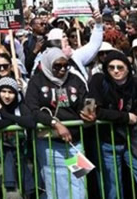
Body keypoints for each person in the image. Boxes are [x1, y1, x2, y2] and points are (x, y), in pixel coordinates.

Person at [88, 51, 137, 199]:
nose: (116, 71)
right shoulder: (98, 80)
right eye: (111, 67)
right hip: (106, 143)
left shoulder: (136, 83)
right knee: (112, 193)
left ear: (127, 68)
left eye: (120, 67)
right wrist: (125, 117)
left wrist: (130, 115)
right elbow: (95, 110)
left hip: (133, 141)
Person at [24, 47, 95, 199]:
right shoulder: (37, 81)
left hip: (75, 143)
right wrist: (54, 122)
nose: (63, 69)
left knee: (80, 183)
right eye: (57, 66)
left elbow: (87, 99)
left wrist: (90, 111)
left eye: (65, 65)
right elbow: (32, 109)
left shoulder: (75, 79)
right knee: (56, 184)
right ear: (49, 64)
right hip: (50, 144)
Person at [0, 77, 36, 197]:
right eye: (3, 91)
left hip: (22, 159)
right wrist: (14, 122)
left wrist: (4, 114)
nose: (7, 96)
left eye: (11, 92)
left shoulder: (20, 106)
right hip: (1, 161)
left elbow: (31, 122)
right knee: (13, 195)